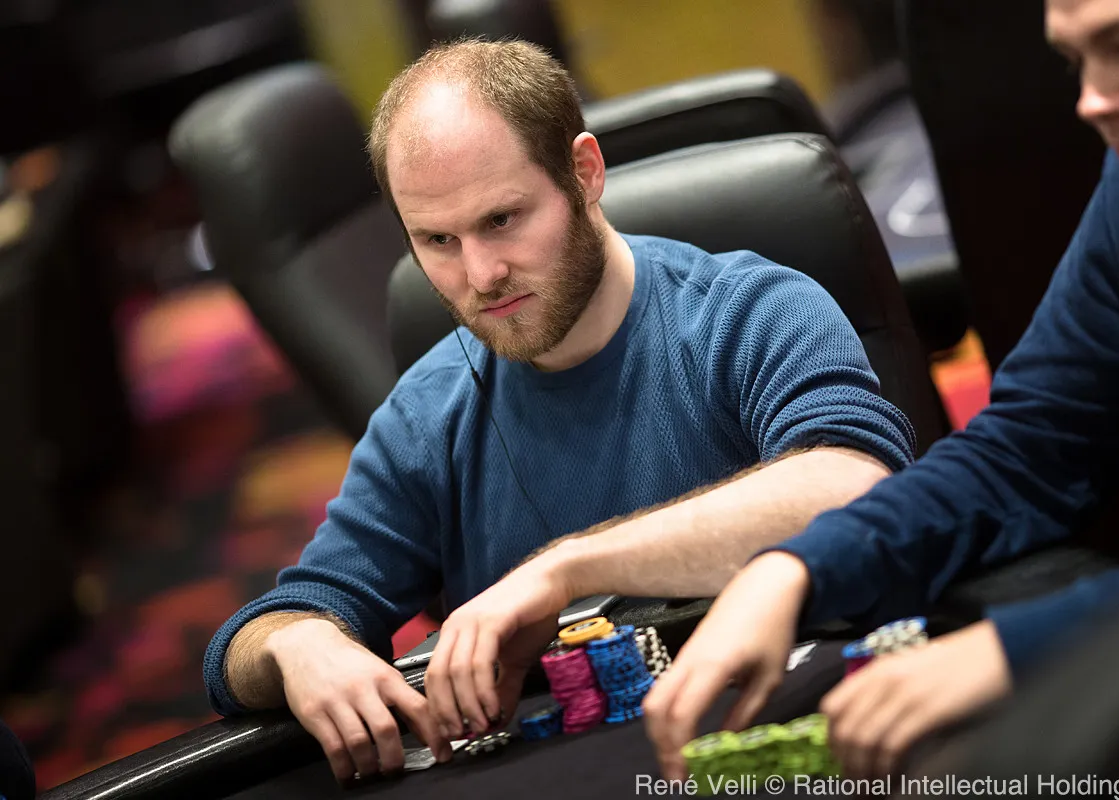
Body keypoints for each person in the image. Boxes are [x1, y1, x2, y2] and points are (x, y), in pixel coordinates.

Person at [201, 39, 917, 783]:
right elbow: (256, 640)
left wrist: (566, 570)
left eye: (502, 220)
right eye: (437, 240)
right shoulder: (424, 415)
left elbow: (852, 485)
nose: (480, 274)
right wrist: (297, 644)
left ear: (584, 172)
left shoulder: (751, 311)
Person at [644, 0, 1119, 780]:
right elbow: (1025, 452)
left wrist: (1016, 648)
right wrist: (796, 569)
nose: (1092, 100)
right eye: (1076, 61)